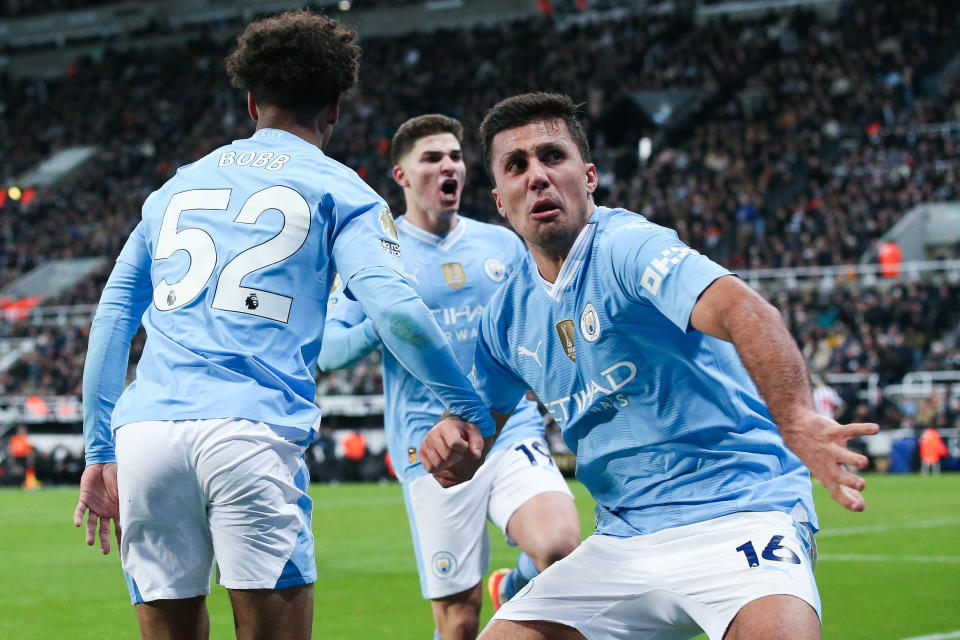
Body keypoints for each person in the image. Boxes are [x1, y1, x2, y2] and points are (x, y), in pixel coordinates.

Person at [73, 11, 493, 640]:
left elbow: (112, 320)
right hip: (249, 432)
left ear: (250, 103)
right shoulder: (344, 191)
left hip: (147, 437)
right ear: (335, 107)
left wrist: (100, 449)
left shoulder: (173, 190)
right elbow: (398, 311)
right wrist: (469, 409)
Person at [420, 92, 880, 640]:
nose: (537, 176)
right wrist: (451, 442)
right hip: (621, 545)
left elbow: (743, 309)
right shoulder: (506, 317)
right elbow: (475, 430)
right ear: (500, 199)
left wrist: (798, 418)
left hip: (741, 516)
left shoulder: (627, 248)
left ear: (588, 176)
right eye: (517, 166)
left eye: (553, 156)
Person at [318, 114, 580, 640]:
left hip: (507, 428)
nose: (449, 167)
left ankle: (513, 586)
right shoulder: (374, 258)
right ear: (402, 176)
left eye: (456, 156)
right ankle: (494, 596)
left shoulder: (501, 245)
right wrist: (387, 317)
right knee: (459, 621)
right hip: (428, 448)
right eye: (433, 158)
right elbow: (328, 348)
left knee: (561, 549)